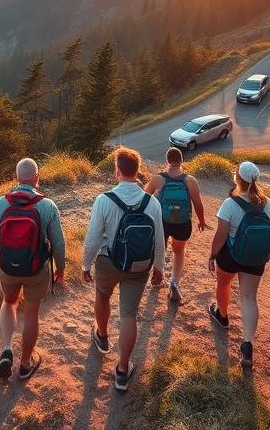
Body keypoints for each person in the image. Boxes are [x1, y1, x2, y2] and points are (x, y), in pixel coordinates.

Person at [82, 146, 165, 392]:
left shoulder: (104, 200)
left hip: (108, 261)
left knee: (103, 297)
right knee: (129, 313)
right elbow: (159, 238)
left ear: (117, 171)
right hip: (138, 265)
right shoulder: (152, 202)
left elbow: (93, 238)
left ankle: (103, 337)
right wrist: (159, 266)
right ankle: (122, 370)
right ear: (137, 171)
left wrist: (86, 265)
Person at [0, 157, 67, 380]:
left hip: (7, 268)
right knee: (31, 314)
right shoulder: (47, 205)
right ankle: (25, 365)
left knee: (9, 302)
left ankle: (6, 349)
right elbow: (58, 243)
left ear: (16, 178)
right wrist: (61, 268)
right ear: (37, 178)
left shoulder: (0, 204)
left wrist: (4, 247)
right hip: (36, 270)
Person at [208, 161, 270, 369]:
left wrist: (212, 255)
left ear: (237, 178)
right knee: (249, 297)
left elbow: (221, 235)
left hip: (230, 255)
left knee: (224, 285)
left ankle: (222, 315)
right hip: (255, 257)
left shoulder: (230, 204)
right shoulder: (268, 204)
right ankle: (247, 344)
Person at [144, 146, 207, 304]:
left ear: (167, 161)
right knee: (179, 252)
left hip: (162, 222)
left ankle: (158, 277)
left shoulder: (158, 179)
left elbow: (145, 199)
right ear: (181, 161)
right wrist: (201, 220)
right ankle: (174, 282)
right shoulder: (190, 180)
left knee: (160, 250)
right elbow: (198, 204)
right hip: (182, 223)